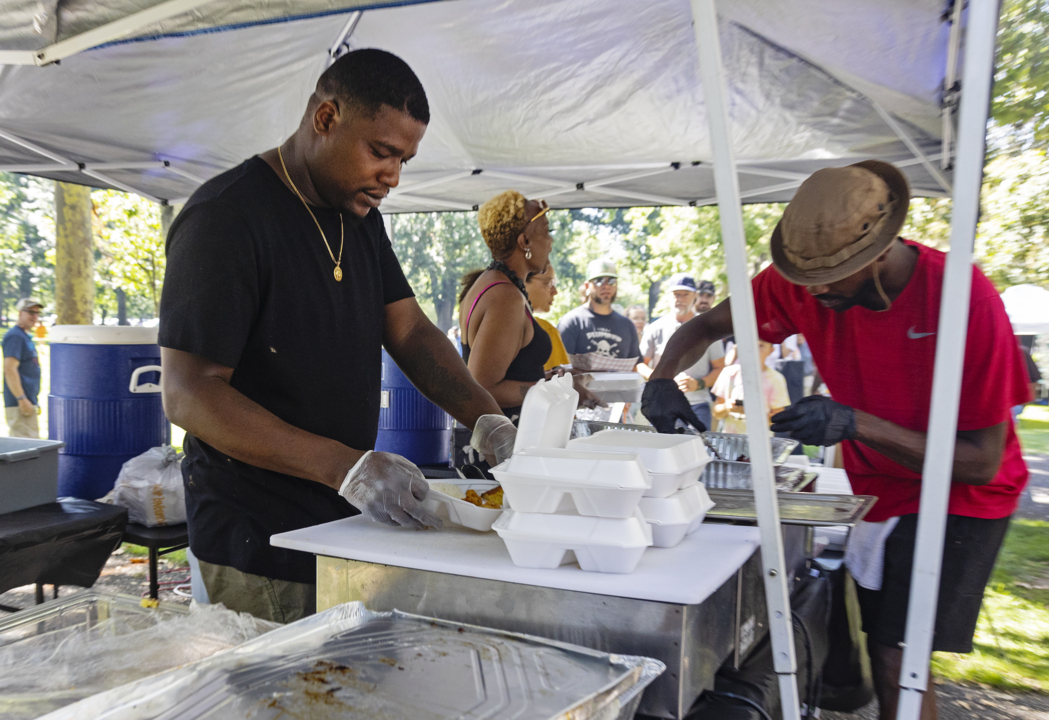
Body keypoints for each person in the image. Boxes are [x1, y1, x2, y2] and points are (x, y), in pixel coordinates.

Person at [642, 160, 1029, 720]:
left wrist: (855, 424)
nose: (814, 291)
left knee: (901, 661)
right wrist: (659, 380)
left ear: (878, 254)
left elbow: (980, 462)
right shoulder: (802, 284)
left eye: (832, 276)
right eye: (805, 278)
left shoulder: (963, 298)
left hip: (962, 498)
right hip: (876, 488)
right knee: (881, 650)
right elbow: (705, 326)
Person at [159, 49, 515, 623]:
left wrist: (487, 417)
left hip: (347, 524)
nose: (393, 177)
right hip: (259, 537)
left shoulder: (361, 220)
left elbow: (409, 330)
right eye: (382, 152)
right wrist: (343, 467)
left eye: (405, 160)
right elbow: (189, 393)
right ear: (326, 118)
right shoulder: (226, 218)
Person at [458, 191, 596, 420]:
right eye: (546, 232)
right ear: (525, 242)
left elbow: (508, 372)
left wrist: (548, 378)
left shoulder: (495, 285)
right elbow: (483, 388)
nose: (551, 243)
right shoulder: (505, 297)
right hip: (509, 447)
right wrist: (556, 390)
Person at [637, 273, 724, 431]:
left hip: (699, 404)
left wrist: (699, 383)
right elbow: (640, 364)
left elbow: (720, 367)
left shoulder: (707, 327)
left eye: (686, 294)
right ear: (668, 296)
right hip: (663, 403)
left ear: (694, 296)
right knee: (664, 451)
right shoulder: (655, 328)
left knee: (701, 451)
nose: (680, 299)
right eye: (676, 294)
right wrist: (663, 381)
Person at [557, 259, 640, 363]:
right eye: (599, 281)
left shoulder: (627, 325)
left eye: (611, 281)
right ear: (587, 286)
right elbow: (561, 365)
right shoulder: (571, 322)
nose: (606, 286)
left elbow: (636, 365)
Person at [711, 339, 789, 434]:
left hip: (761, 440)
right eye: (752, 344)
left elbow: (777, 418)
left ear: (771, 350)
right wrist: (728, 406)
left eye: (761, 346)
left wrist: (755, 412)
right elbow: (716, 413)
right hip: (731, 438)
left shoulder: (776, 379)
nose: (755, 349)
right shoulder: (729, 373)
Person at [3, 298, 43, 438]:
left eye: (37, 313)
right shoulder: (15, 336)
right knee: (26, 453)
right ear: (20, 313)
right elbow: (9, 369)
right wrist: (21, 399)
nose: (35, 316)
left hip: (28, 401)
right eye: (31, 312)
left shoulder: (24, 336)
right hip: (20, 403)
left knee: (32, 449)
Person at [524, 264, 569, 371]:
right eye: (548, 283)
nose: (555, 291)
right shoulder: (544, 330)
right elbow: (562, 381)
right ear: (522, 281)